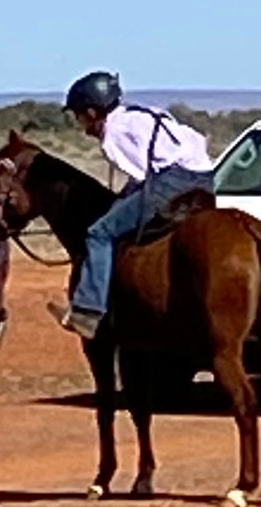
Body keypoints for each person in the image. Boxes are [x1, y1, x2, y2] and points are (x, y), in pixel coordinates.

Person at [59, 69, 214, 335]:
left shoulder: (113, 134)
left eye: (80, 116)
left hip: (169, 183)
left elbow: (143, 177)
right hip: (204, 180)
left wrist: (122, 201)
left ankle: (88, 310)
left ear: (93, 113)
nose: (82, 126)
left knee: (100, 233)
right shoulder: (145, 113)